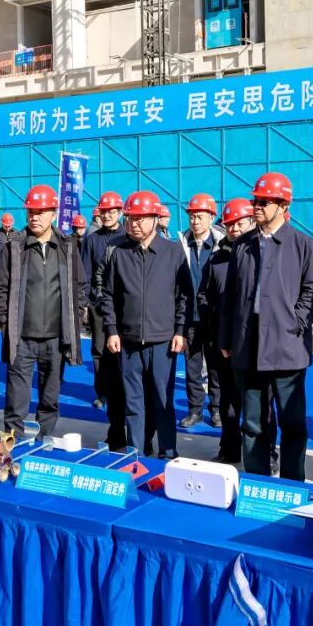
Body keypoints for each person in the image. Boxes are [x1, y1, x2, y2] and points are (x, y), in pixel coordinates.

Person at [218, 173, 313, 480]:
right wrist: (227, 338)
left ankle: (292, 482)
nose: (257, 207)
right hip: (247, 346)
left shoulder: (303, 245)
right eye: (256, 201)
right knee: (253, 423)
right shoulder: (243, 245)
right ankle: (257, 481)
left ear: (283, 205)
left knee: (292, 422)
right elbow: (231, 296)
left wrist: (294, 323)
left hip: (287, 347)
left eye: (264, 202)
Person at [101, 190, 191, 459]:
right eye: (130, 219)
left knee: (162, 401)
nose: (135, 224)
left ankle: (168, 452)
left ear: (155, 218)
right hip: (128, 342)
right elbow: (108, 295)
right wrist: (111, 330)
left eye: (141, 218)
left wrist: (180, 331)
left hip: (163, 341)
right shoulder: (119, 253)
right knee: (133, 403)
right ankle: (136, 454)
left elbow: (184, 296)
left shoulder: (172, 252)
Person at [0, 185, 87, 437]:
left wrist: (75, 317)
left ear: (53, 214)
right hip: (22, 337)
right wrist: (4, 323)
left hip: (56, 337)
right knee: (16, 395)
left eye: (41, 212)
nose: (35, 217)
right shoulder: (14, 247)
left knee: (50, 394)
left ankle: (44, 436)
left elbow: (79, 286)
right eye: (31, 212)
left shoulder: (67, 247)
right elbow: (0, 288)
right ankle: (13, 438)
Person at [198, 197, 255, 464]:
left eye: (240, 223)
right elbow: (203, 294)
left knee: (256, 403)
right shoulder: (217, 257)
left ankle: (263, 453)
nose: (234, 229)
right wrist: (213, 321)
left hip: (253, 343)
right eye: (230, 224)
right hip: (221, 343)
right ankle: (229, 449)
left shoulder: (260, 254)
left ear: (251, 222)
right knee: (227, 401)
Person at [178, 193, 225, 429]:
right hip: (190, 318)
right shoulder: (181, 245)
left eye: (200, 216)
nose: (195, 221)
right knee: (192, 367)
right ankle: (194, 410)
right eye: (192, 216)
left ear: (211, 217)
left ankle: (216, 409)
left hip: (213, 319)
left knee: (215, 368)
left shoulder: (221, 246)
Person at [82, 191, 125, 421]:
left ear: (120, 212)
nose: (107, 215)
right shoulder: (92, 239)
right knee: (99, 351)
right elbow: (85, 273)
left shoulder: (127, 236)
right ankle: (102, 392)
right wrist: (86, 304)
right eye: (104, 211)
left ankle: (123, 390)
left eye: (112, 211)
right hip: (98, 304)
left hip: (123, 306)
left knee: (121, 351)